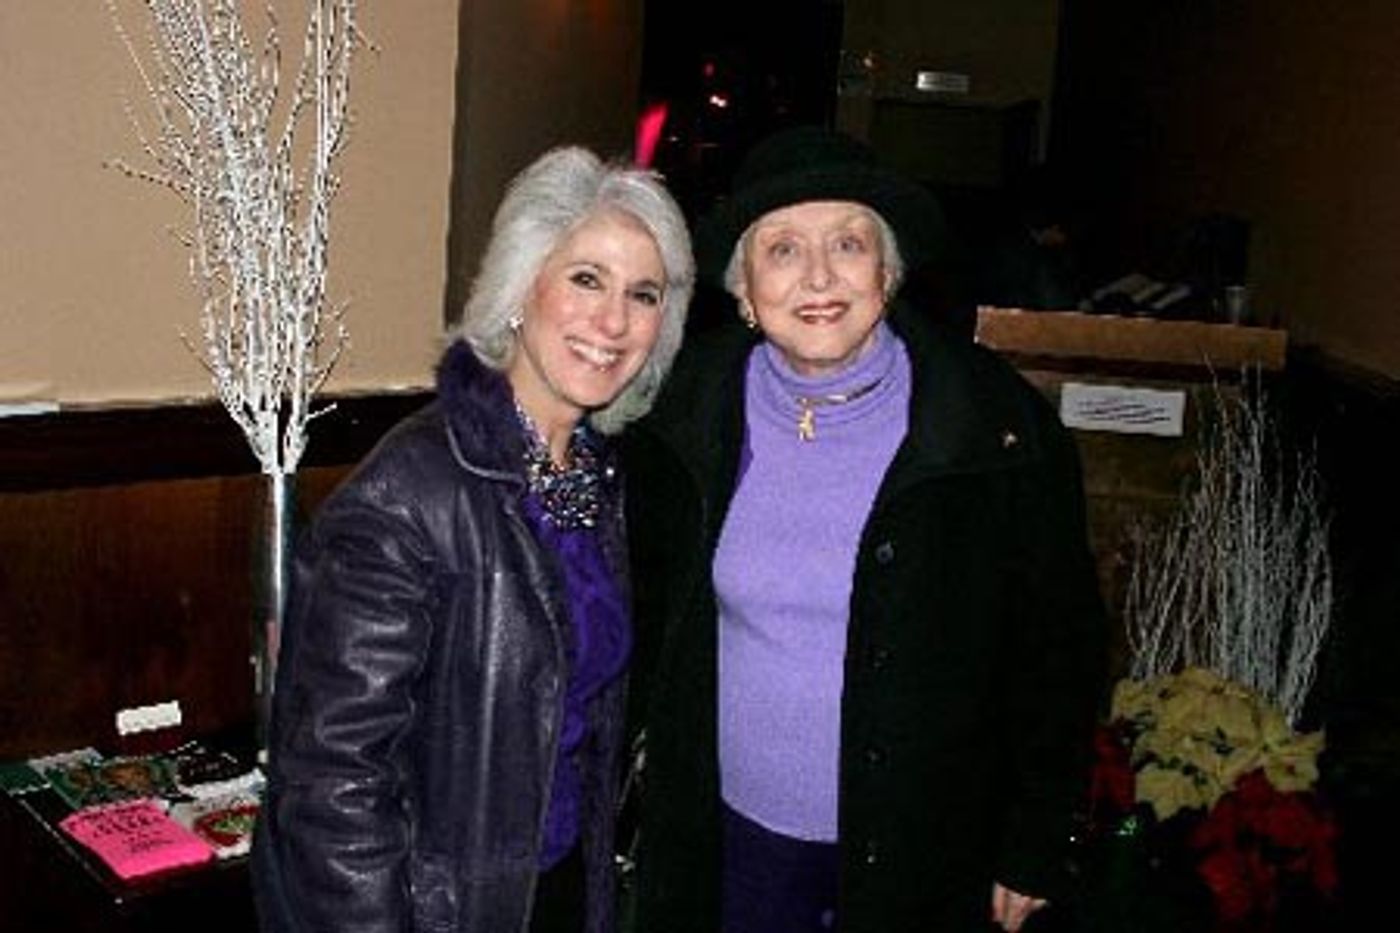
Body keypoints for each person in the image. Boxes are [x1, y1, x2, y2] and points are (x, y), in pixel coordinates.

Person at [622, 126, 1106, 933]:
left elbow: (1058, 644)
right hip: (732, 845)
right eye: (782, 250)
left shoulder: (994, 425)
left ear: (887, 270)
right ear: (744, 289)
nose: (818, 276)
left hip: (925, 849)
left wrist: (1037, 836)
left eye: (848, 243)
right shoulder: (679, 412)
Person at [251, 145, 694, 933]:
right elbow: (331, 784)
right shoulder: (410, 491)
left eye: (644, 294)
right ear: (521, 287)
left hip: (557, 888)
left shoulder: (600, 480)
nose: (614, 321)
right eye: (586, 278)